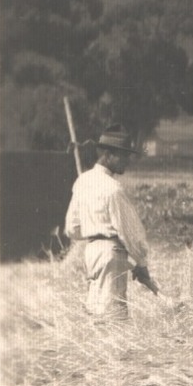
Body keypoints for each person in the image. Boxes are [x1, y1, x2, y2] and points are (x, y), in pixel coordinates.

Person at [64, 124, 154, 320]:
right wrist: (141, 263)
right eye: (123, 155)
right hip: (111, 255)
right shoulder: (113, 189)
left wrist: (94, 232)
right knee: (113, 318)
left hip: (91, 253)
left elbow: (72, 228)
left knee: (96, 312)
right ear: (107, 154)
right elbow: (130, 233)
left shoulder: (82, 181)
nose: (127, 162)